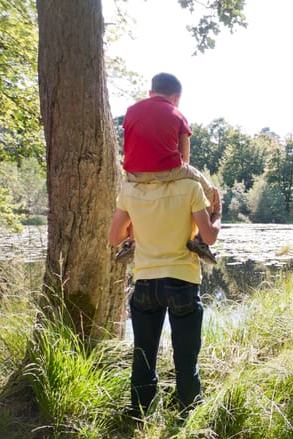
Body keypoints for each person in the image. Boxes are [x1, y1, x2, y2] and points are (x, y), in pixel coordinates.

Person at [108, 162, 222, 417]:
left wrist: (135, 225)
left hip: (146, 282)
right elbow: (210, 237)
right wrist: (218, 214)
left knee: (143, 356)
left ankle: (139, 416)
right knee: (185, 360)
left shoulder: (130, 190)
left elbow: (115, 238)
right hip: (182, 280)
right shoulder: (191, 187)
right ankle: (188, 419)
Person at [117, 72, 218, 264]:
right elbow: (185, 158)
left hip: (134, 174)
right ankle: (201, 240)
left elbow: (129, 143)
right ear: (177, 97)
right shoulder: (177, 114)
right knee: (211, 191)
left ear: (150, 92)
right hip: (169, 170)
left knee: (130, 206)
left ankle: (132, 242)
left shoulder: (130, 111)